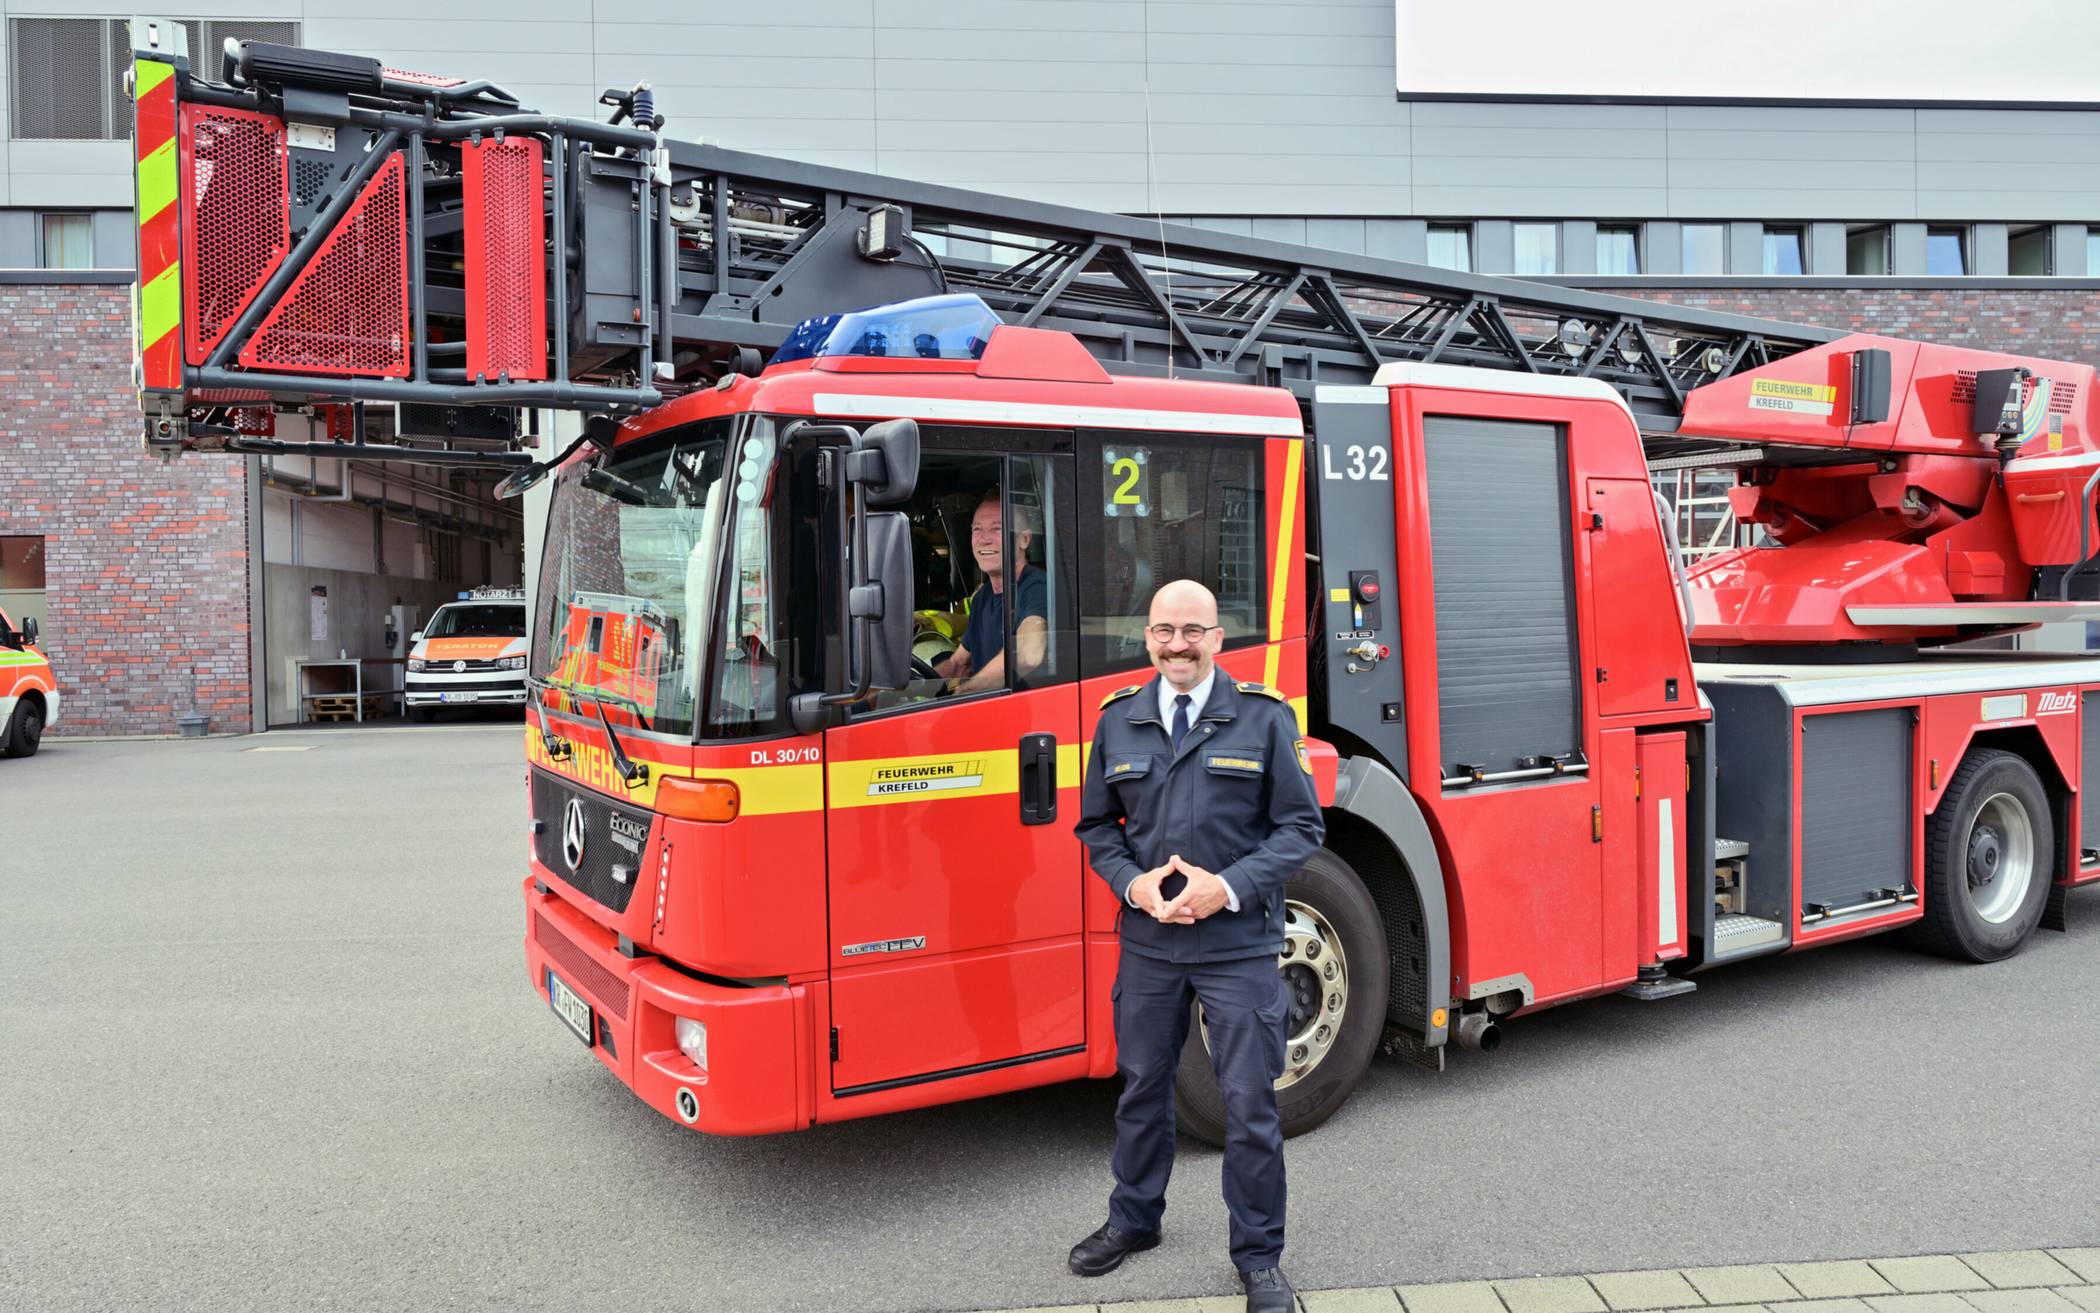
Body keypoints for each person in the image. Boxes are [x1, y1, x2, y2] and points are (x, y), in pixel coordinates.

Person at [1068, 579, 1324, 1313]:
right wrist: (1133, 884)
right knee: (1142, 1087)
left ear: (1217, 638)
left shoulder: (1264, 717)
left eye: (1192, 631)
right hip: (1150, 943)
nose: (1176, 644)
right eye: (1163, 631)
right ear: (1147, 637)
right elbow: (1097, 827)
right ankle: (1134, 1219)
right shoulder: (1118, 720)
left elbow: (1302, 827)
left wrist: (1228, 887)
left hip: (1237, 943)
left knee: (1248, 1103)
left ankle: (1259, 1258)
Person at [934, 491, 1046, 693]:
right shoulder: (982, 597)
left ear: (1024, 539)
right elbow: (958, 664)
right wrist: (901, 693)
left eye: (997, 528)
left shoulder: (1037, 587)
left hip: (1028, 710)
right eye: (977, 529)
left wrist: (966, 694)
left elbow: (1028, 654)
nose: (984, 540)